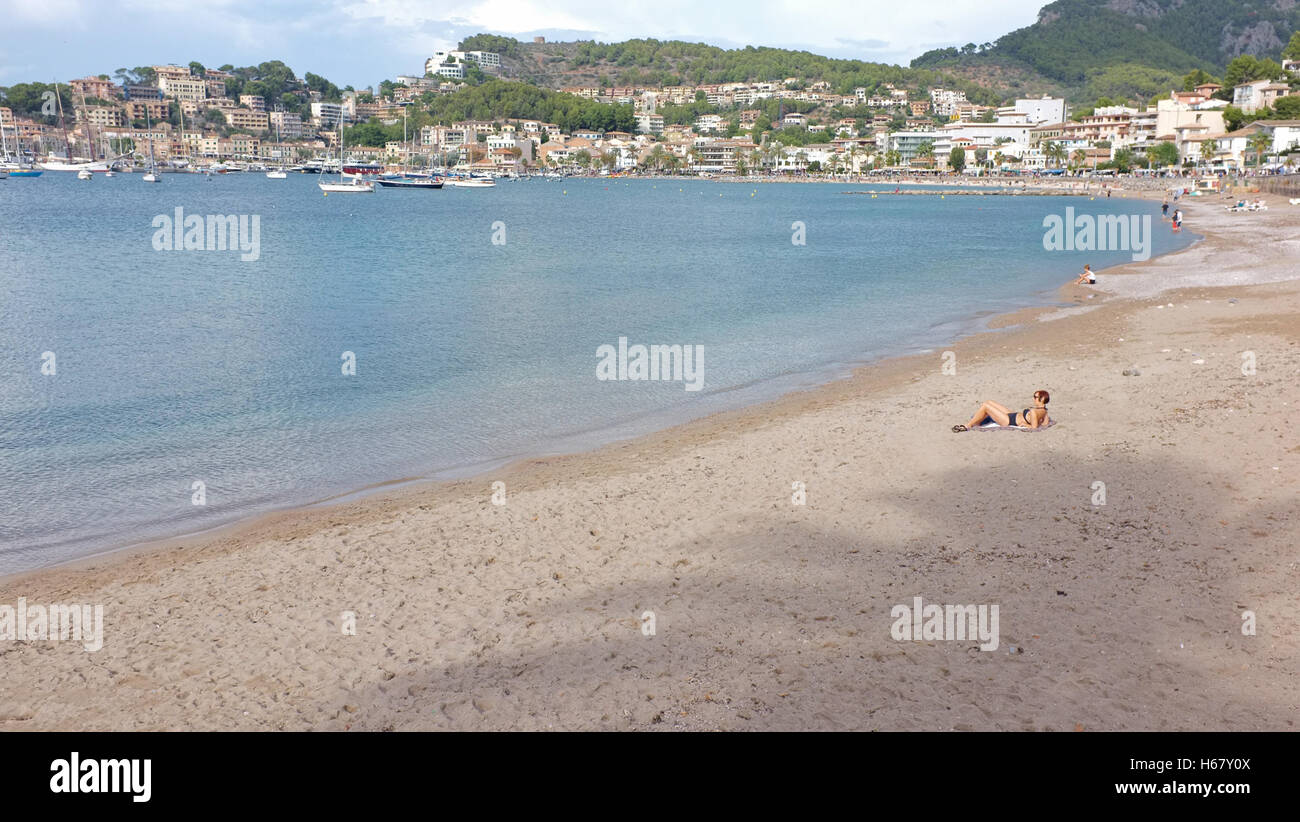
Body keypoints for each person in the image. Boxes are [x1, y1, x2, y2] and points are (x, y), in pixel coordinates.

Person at [953, 390, 1050, 432]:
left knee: (986, 406)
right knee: (988, 402)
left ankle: (968, 425)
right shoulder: (1044, 411)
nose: (1033, 398)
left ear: (1041, 399)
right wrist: (1036, 422)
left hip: (1008, 421)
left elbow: (1034, 428)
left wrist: (1026, 425)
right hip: (1012, 414)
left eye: (1035, 397)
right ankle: (977, 420)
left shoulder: (1034, 411)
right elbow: (1045, 424)